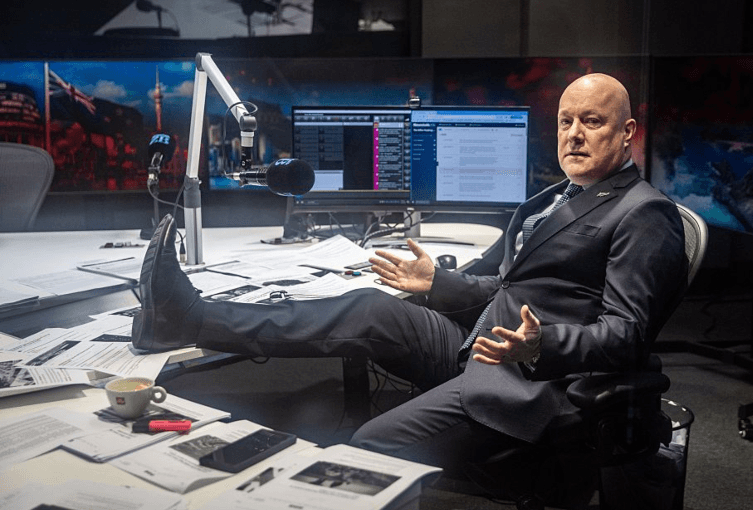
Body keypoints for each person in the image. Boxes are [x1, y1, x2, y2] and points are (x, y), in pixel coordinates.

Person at [132, 73, 688, 477]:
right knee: (368, 307)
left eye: (592, 122)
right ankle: (188, 319)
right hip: (483, 345)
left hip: (534, 380)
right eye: (566, 121)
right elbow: (510, 289)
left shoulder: (644, 213)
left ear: (627, 132)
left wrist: (541, 345)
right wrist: (436, 285)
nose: (574, 134)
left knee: (372, 444)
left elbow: (627, 334)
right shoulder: (558, 197)